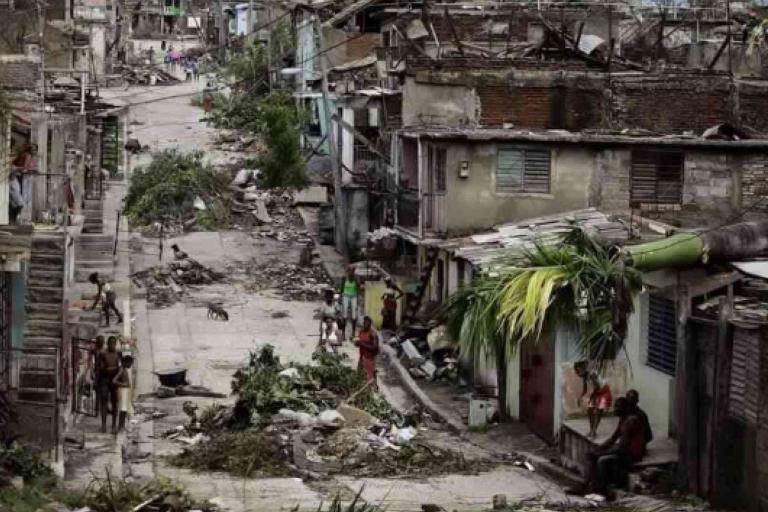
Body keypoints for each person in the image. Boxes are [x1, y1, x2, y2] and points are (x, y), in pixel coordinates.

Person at [580, 397, 646, 500]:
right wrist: (597, 449)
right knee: (592, 456)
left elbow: (622, 448)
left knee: (602, 460)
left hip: (632, 454)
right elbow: (612, 438)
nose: (614, 409)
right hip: (624, 450)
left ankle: (601, 491)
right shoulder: (623, 420)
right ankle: (589, 487)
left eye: (617, 407)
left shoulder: (631, 421)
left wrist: (602, 453)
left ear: (624, 408)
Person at [575, 361, 612, 438]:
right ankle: (592, 430)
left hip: (604, 392)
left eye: (578, 371)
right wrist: (579, 398)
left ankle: (593, 431)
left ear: (584, 369)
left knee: (598, 411)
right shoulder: (585, 377)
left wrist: (592, 397)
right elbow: (584, 390)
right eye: (576, 371)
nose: (577, 373)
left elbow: (597, 387)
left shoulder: (592, 374)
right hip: (597, 392)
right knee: (590, 410)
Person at [97, 337, 121, 433]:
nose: (112, 346)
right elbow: (100, 368)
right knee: (104, 402)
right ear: (107, 344)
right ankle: (103, 425)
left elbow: (121, 367)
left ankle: (114, 425)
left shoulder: (118, 353)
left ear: (115, 344)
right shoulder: (102, 353)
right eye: (110, 344)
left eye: (113, 344)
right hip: (105, 380)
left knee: (115, 403)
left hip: (114, 381)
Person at [626, 389, 653, 454]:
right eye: (630, 399)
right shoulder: (625, 413)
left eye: (633, 399)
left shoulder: (641, 415)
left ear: (637, 400)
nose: (631, 401)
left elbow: (648, 436)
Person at [355, 316, 379, 385]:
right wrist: (357, 343)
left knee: (369, 381)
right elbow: (359, 342)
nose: (365, 324)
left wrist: (362, 344)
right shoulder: (361, 332)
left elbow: (375, 347)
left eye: (367, 322)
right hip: (362, 358)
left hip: (369, 359)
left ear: (370, 323)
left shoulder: (373, 333)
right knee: (360, 380)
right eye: (364, 322)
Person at [113, 355, 134, 432]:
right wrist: (123, 384)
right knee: (123, 409)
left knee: (124, 409)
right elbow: (114, 380)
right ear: (126, 362)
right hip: (122, 390)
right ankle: (120, 426)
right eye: (130, 363)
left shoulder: (124, 369)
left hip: (125, 390)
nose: (131, 365)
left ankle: (121, 426)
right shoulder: (121, 369)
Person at [340, 266, 361, 341]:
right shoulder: (344, 278)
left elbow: (359, 287)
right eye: (350, 271)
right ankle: (343, 334)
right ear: (347, 271)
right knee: (344, 315)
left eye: (353, 271)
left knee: (354, 316)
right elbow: (341, 288)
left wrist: (358, 298)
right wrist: (340, 297)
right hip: (345, 296)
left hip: (354, 297)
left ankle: (353, 333)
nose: (351, 272)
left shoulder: (356, 278)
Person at [93, 336, 105, 417]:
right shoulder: (98, 351)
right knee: (99, 392)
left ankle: (98, 409)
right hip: (99, 373)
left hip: (101, 373)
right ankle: (98, 409)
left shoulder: (98, 351)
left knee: (100, 392)